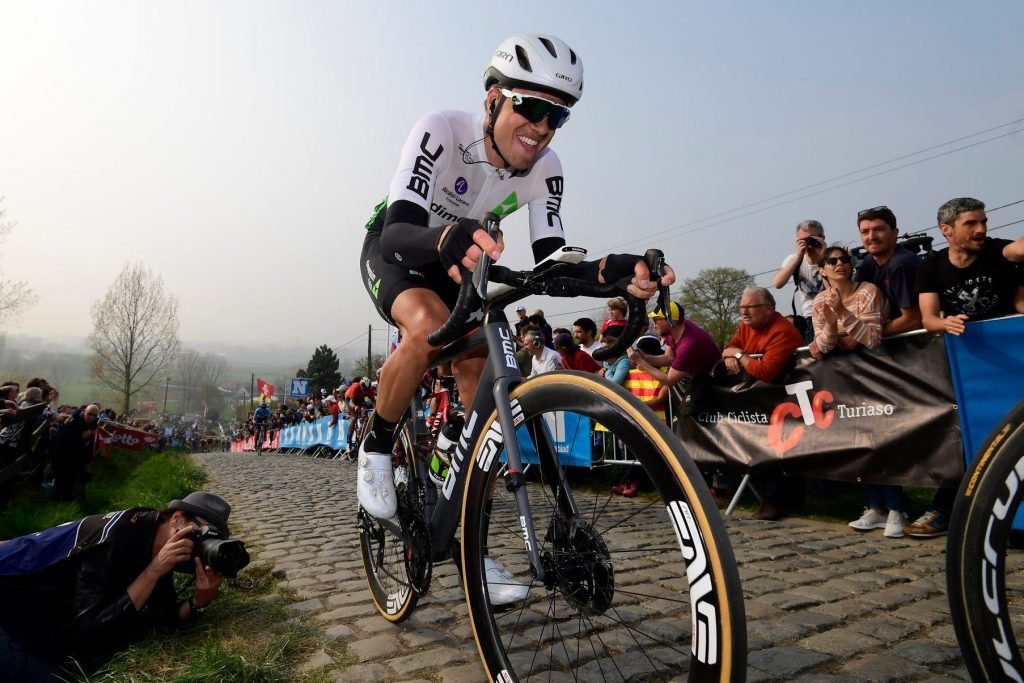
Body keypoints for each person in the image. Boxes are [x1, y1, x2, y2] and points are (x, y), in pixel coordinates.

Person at [355, 33, 674, 603]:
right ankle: (377, 448)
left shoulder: (546, 166)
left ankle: (468, 538)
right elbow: (401, 230)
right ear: (493, 99)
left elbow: (556, 262)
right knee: (428, 329)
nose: (543, 126)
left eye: (558, 115)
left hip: (465, 260)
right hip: (401, 248)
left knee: (486, 376)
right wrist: (447, 236)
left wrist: (616, 270)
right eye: (531, 106)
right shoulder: (440, 130)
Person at [0, 492, 239, 680]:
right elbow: (88, 633)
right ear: (176, 518)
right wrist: (153, 571)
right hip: (12, 608)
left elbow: (160, 614)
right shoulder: (117, 539)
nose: (200, 542)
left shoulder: (153, 534)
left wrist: (199, 601)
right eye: (201, 531)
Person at [902, 197, 1024, 539]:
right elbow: (927, 317)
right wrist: (946, 323)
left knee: (1014, 437)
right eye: (971, 223)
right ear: (946, 230)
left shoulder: (998, 252)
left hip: (1010, 362)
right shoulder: (931, 267)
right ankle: (945, 510)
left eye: (983, 221)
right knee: (962, 440)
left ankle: (1013, 521)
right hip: (964, 367)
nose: (981, 229)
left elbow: (1018, 256)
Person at [721, 288, 804, 520]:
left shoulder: (782, 331)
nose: (744, 312)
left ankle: (777, 502)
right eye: (742, 307)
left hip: (786, 399)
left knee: (778, 449)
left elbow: (765, 371)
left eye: (751, 307)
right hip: (760, 401)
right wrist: (731, 355)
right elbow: (728, 347)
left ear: (769, 308)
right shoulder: (746, 326)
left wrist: (739, 356)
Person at [629, 302, 720, 404]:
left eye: (656, 320)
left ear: (671, 320)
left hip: (713, 382)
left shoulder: (689, 344)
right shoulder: (674, 330)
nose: (654, 325)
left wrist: (640, 362)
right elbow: (669, 358)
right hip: (698, 378)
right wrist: (646, 358)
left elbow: (669, 380)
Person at [614, 335, 671, 497]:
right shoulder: (630, 373)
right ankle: (628, 481)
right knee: (630, 451)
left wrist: (640, 407)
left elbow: (662, 397)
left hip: (657, 422)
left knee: (653, 454)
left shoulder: (665, 372)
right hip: (634, 420)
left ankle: (648, 483)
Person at [810, 245, 889, 359]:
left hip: (876, 362)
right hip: (840, 369)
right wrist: (831, 325)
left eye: (844, 260)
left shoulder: (867, 291)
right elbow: (822, 347)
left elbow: (872, 339)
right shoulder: (820, 300)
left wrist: (841, 311)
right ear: (822, 271)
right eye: (832, 261)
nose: (840, 263)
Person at [854, 205, 922, 336]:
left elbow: (913, 320)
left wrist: (864, 335)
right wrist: (822, 262)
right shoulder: (869, 261)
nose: (871, 237)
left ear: (895, 233)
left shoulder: (901, 264)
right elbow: (847, 297)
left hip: (921, 345)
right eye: (865, 232)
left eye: (879, 229)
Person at [772, 219, 827, 343]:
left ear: (822, 238)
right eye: (803, 240)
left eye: (811, 238)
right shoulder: (794, 259)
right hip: (810, 317)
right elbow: (777, 283)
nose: (808, 243)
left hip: (834, 314)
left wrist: (822, 257)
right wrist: (798, 257)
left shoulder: (834, 257)